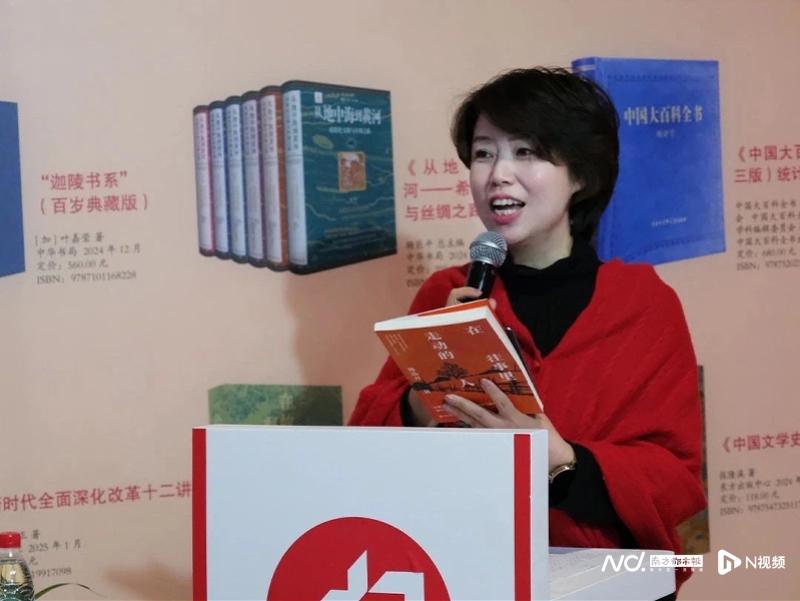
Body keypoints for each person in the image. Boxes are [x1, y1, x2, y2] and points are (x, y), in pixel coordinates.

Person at [348, 67, 706, 593]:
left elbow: (675, 478)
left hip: (600, 581)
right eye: (484, 153)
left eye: (527, 152)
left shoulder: (643, 303)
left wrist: (559, 457)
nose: (498, 174)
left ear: (582, 175)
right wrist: (424, 398)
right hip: (463, 573)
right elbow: (362, 450)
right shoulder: (447, 294)